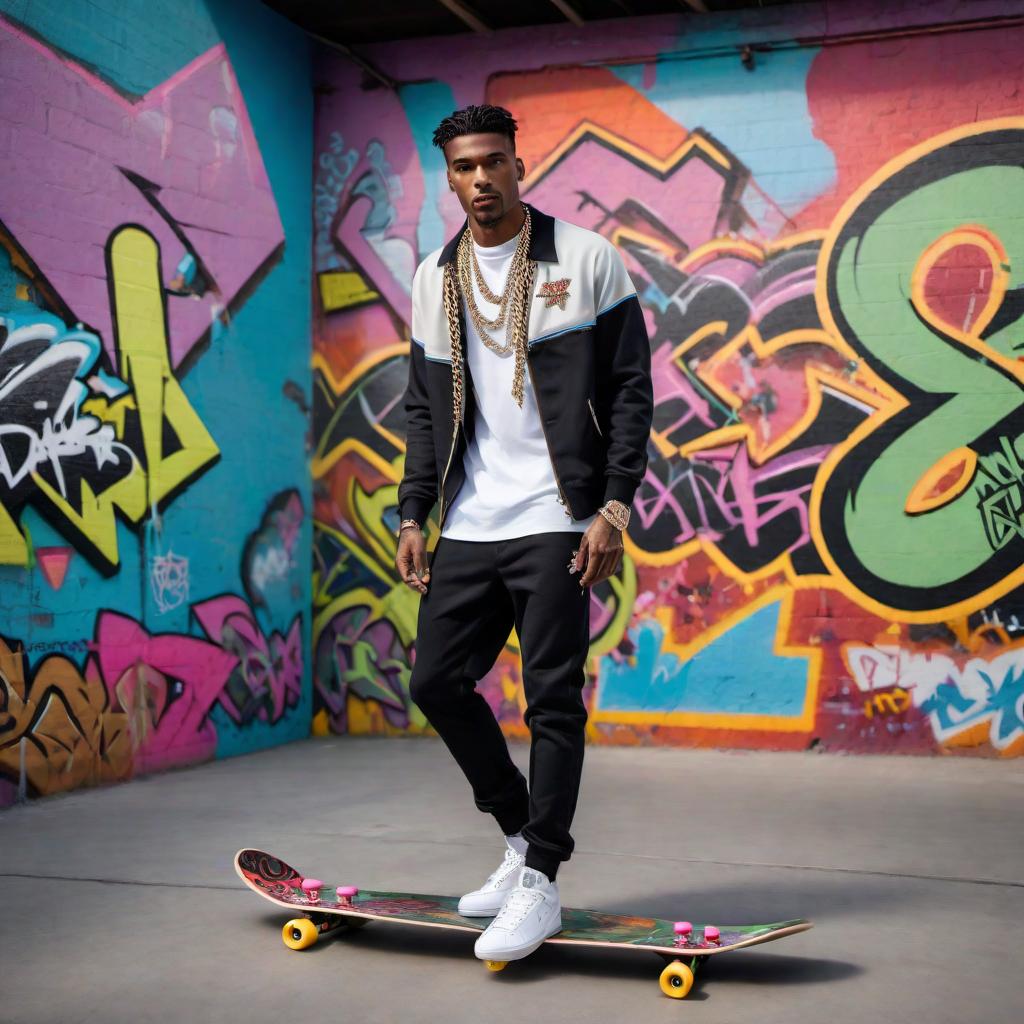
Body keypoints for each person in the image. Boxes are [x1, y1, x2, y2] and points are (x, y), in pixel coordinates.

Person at [395, 103, 653, 963]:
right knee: (436, 681)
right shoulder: (436, 278)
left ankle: (541, 879)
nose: (479, 180)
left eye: (492, 163)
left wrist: (613, 507)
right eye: (463, 167)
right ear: (451, 175)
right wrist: (412, 512)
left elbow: (628, 392)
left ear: (517, 163)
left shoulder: (584, 260)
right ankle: (517, 836)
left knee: (551, 702)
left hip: (557, 516)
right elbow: (425, 410)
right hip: (469, 520)